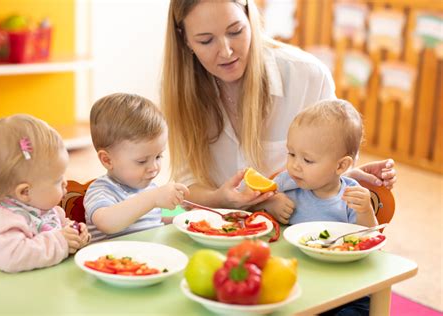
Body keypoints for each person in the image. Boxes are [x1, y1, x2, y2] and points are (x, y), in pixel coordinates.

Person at [161, 0, 396, 224]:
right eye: (205, 40)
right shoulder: (181, 93)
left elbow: (328, 159)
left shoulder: (307, 76)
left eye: (235, 31)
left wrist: (345, 174)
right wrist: (221, 199)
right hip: (220, 228)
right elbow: (187, 185)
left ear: (250, 19)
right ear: (185, 40)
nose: (226, 51)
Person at [0, 114, 90, 273]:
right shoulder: (3, 219)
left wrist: (73, 233)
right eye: (57, 180)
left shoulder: (43, 206)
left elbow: (54, 230)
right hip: (6, 295)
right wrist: (61, 241)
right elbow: (11, 257)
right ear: (25, 192)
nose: (65, 182)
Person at [84, 93, 189, 242]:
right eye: (141, 161)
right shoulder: (101, 190)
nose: (153, 167)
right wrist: (154, 198)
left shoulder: (149, 188)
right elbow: (107, 224)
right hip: (113, 262)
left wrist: (180, 218)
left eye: (158, 156)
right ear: (107, 160)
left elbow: (151, 223)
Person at [269, 99, 377, 227]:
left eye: (307, 160)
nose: (295, 166)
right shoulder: (285, 182)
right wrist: (269, 203)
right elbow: (249, 210)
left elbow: (369, 236)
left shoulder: (350, 196)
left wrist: (365, 212)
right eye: (292, 154)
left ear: (340, 166)